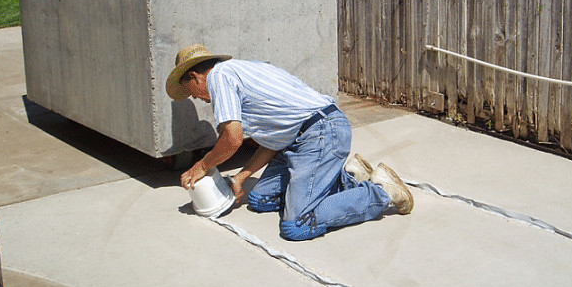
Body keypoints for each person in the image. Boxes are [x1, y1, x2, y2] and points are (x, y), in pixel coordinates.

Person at [166, 44, 414, 241]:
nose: (198, 99)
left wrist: (202, 165)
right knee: (259, 200)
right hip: (305, 138)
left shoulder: (219, 78)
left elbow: (232, 138)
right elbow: (274, 141)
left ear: (194, 76)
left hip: (322, 133)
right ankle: (352, 175)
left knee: (297, 225)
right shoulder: (241, 70)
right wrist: (241, 178)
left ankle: (383, 193)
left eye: (191, 92)